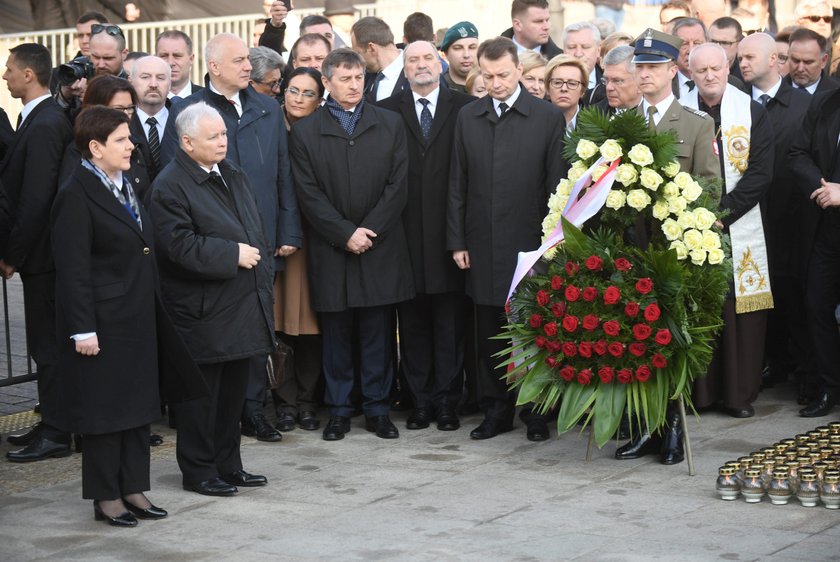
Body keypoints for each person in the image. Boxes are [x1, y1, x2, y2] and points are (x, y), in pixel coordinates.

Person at [160, 33, 301, 442]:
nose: (248, 66)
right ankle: (220, 418)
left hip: (263, 238)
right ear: (215, 66)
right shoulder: (189, 112)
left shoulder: (267, 109)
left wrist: (287, 229)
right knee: (222, 333)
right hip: (216, 247)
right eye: (239, 59)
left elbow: (282, 172)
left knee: (258, 327)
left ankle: (254, 411)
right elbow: (180, 182)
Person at [51, 106, 168, 526]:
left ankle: (134, 488)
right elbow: (73, 268)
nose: (131, 145)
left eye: (130, 138)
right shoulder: (76, 193)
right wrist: (83, 328)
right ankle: (107, 498)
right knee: (105, 411)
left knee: (137, 407)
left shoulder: (127, 182)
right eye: (121, 140)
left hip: (136, 314)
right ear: (95, 148)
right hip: (101, 322)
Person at [150, 102, 275, 496]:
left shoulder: (229, 172)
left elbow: (251, 225)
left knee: (231, 397)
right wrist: (231, 254)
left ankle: (228, 464)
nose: (223, 142)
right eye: (213, 137)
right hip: (203, 311)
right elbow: (177, 247)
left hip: (239, 304)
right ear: (187, 143)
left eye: (223, 134)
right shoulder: (170, 186)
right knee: (200, 399)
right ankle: (199, 470)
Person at [289, 48, 413, 442]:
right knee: (337, 333)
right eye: (344, 78)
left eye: (358, 77)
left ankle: (377, 409)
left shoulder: (389, 123)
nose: (353, 85)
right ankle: (340, 410)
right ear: (326, 83)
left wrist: (370, 229)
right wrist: (344, 233)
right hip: (333, 248)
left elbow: (398, 184)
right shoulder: (307, 131)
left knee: (378, 331)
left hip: (380, 244)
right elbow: (307, 193)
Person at [447, 37, 567, 441]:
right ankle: (495, 410)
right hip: (481, 241)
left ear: (519, 70)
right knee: (488, 329)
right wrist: (458, 240)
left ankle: (536, 411)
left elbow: (556, 185)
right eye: (488, 75)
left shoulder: (547, 117)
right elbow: (457, 182)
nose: (495, 83)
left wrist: (551, 243)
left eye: (502, 75)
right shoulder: (468, 116)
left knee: (534, 326)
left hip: (530, 241)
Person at [614, 29, 719, 464]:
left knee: (674, 339)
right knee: (636, 338)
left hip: (675, 249)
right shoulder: (621, 122)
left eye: (653, 67)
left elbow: (712, 185)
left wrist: (678, 198)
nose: (644, 74)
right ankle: (644, 426)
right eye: (639, 67)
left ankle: (673, 426)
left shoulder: (695, 123)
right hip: (630, 246)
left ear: (673, 70)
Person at [378, 41, 474, 432]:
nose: (421, 65)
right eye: (412, 59)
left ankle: (448, 402)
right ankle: (419, 401)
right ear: (404, 67)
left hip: (450, 236)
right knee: (412, 323)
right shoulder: (386, 112)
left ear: (440, 62)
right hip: (402, 236)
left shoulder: (465, 109)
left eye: (426, 58)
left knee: (449, 324)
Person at [684, 43, 774, 419]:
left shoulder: (751, 110)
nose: (709, 76)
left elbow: (760, 174)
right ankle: (701, 395)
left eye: (715, 69)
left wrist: (722, 216)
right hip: (689, 224)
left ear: (728, 67)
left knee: (739, 311)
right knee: (700, 305)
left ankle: (738, 395)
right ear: (689, 73)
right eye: (701, 70)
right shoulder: (681, 111)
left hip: (737, 222)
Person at [1, 43, 75, 463]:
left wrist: (13, 254)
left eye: (10, 69)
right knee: (45, 346)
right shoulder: (38, 119)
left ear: (29, 75)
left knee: (49, 348)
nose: (6, 76)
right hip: (42, 258)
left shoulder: (46, 123)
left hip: (45, 258)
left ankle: (58, 432)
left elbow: (36, 200)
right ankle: (52, 421)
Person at [739, 33, 816, 401]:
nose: (742, 63)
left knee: (794, 298)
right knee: (757, 300)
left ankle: (803, 372)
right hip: (748, 220)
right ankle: (767, 363)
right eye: (739, 57)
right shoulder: (735, 104)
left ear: (775, 60)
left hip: (792, 220)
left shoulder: (804, 106)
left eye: (750, 56)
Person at [273, 66, 325, 433]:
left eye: (308, 93)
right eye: (293, 90)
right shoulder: (268, 124)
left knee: (310, 322)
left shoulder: (323, 131)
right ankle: (284, 402)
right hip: (278, 237)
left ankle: (308, 401)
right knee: (280, 323)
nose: (299, 99)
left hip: (316, 237)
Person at [60, 75, 153, 206]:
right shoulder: (79, 152)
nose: (126, 115)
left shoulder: (137, 145)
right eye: (118, 109)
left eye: (130, 108)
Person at [129, 56, 170, 183]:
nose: (153, 84)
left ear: (170, 82)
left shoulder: (184, 120)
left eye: (160, 78)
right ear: (131, 81)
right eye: (145, 77)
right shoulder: (119, 123)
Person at [351, 16, 407, 102]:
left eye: (358, 53)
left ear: (371, 48)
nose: (358, 61)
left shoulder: (416, 72)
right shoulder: (363, 77)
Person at [784, 28, 840, 94]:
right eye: (795, 61)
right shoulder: (772, 91)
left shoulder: (837, 93)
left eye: (808, 62)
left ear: (823, 61)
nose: (800, 69)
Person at [563, 21, 604, 106]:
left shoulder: (609, 84)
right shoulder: (548, 83)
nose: (578, 54)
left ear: (598, 50)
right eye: (572, 47)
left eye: (585, 47)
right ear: (563, 51)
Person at [155, 30, 203, 101]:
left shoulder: (210, 101)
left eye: (177, 56)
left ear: (191, 59)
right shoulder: (141, 103)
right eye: (164, 56)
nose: (170, 63)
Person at [545, 54, 588, 132]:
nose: (564, 89)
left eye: (572, 83)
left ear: (582, 90)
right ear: (547, 88)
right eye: (557, 83)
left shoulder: (595, 125)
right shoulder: (534, 121)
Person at [595, 45, 642, 115]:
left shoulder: (654, 116)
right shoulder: (593, 115)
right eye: (606, 80)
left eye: (617, 81)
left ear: (640, 83)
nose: (608, 87)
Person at [440, 21, 480, 93]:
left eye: (472, 47)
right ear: (446, 54)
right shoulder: (438, 89)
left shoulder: (491, 85)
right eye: (458, 48)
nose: (466, 55)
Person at [709, 17, 745, 82]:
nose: (717, 47)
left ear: (739, 45)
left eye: (725, 43)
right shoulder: (696, 68)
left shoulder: (746, 74)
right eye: (713, 41)